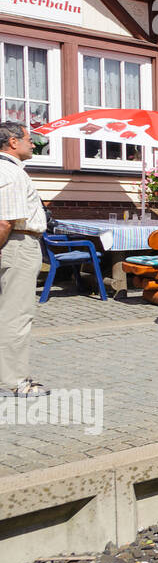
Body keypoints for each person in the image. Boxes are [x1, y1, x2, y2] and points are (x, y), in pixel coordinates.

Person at [0, 121, 50, 397]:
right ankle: (13, 381)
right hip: (17, 243)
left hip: (13, 242)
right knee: (16, 315)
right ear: (13, 143)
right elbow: (5, 222)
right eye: (29, 139)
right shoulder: (11, 173)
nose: (34, 144)